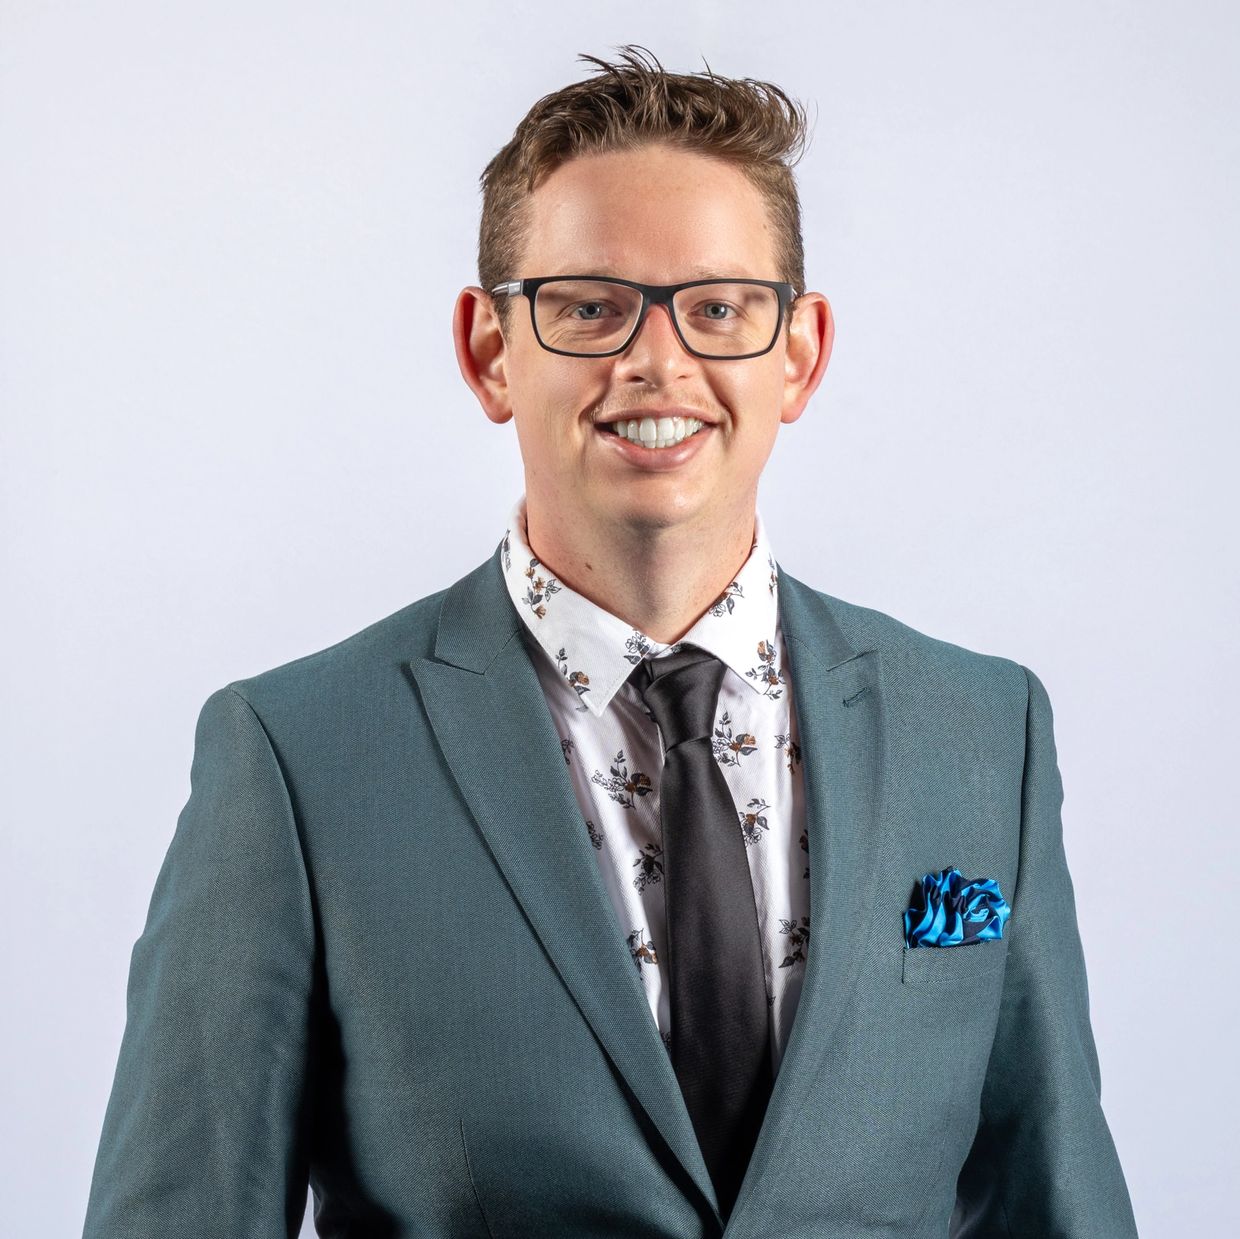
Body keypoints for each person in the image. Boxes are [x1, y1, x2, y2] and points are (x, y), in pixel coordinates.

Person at [81, 44, 1139, 1238]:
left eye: (719, 308)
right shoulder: (298, 756)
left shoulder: (982, 732)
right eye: (589, 307)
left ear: (798, 354)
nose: (657, 361)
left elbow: (1056, 1198)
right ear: (490, 350)